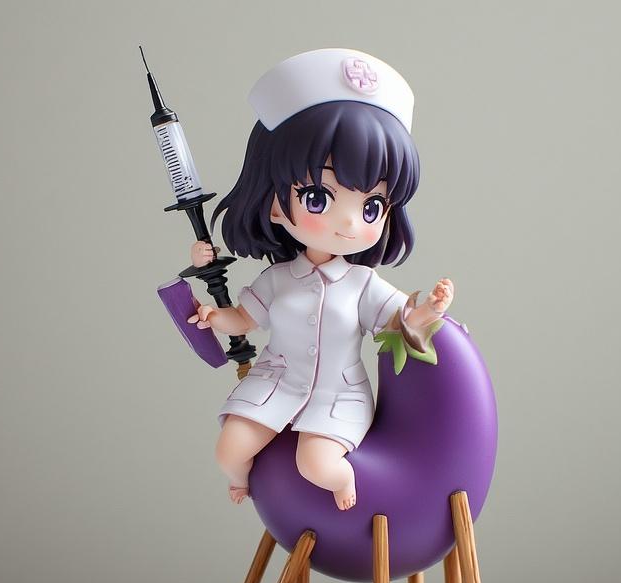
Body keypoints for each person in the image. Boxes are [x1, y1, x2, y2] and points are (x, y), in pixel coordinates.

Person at [187, 49, 453, 510]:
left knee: (317, 465)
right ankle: (243, 481)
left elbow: (399, 322)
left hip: (338, 394)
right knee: (229, 451)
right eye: (317, 197)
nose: (348, 223)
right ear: (276, 204)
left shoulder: (362, 284)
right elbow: (244, 319)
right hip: (274, 383)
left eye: (371, 206)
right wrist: (213, 316)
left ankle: (347, 483)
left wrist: (429, 309)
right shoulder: (278, 279)